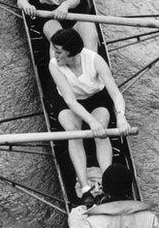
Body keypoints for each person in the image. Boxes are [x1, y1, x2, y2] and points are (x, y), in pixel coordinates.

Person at [48, 28, 131, 200]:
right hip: (68, 101)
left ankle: (108, 186)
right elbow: (71, 101)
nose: (54, 55)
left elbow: (115, 93)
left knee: (102, 128)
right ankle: (85, 188)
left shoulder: (95, 60)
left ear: (71, 53)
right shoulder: (54, 65)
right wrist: (91, 122)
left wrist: (121, 116)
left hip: (96, 98)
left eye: (58, 52)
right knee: (73, 131)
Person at [68, 164, 159, 228]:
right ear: (130, 188)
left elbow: (74, 223)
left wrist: (84, 206)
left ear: (103, 190)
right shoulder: (150, 218)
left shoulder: (93, 222)